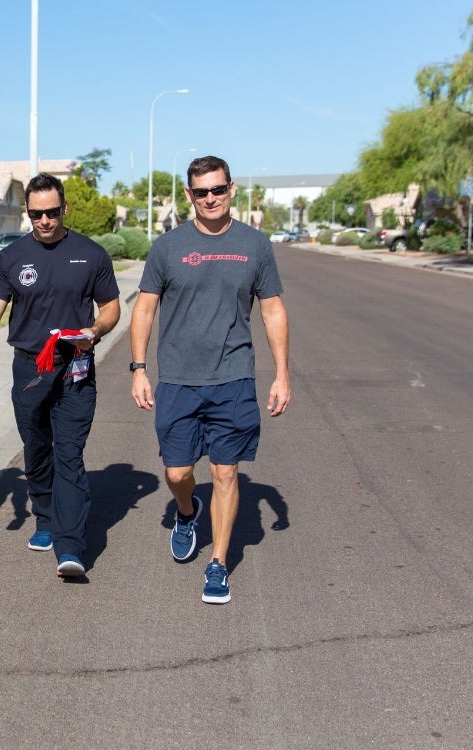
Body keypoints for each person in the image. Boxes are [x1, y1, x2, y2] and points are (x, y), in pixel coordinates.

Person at [129, 155, 291, 604]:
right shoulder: (167, 247)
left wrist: (281, 374)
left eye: (218, 189)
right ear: (189, 195)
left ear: (231, 189)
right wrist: (138, 368)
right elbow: (144, 308)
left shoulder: (255, 245)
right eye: (201, 192)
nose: (211, 198)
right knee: (179, 472)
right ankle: (186, 512)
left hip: (233, 377)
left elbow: (273, 309)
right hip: (178, 379)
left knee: (225, 471)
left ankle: (217, 563)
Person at [0, 173, 121, 578]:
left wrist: (96, 330)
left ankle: (70, 546)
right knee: (37, 449)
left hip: (75, 366)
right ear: (28, 213)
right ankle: (45, 516)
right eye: (36, 214)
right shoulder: (11, 257)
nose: (45, 221)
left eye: (52, 212)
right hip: (29, 368)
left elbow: (110, 308)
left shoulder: (91, 254)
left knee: (69, 454)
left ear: (64, 209)